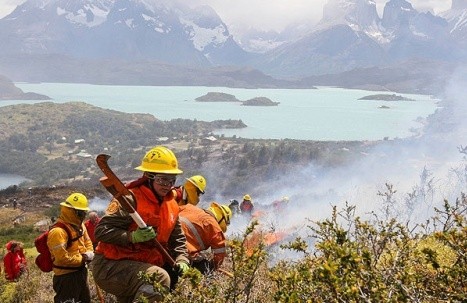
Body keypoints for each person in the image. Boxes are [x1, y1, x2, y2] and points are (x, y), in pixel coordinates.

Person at [92, 146, 190, 303]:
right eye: (162, 179)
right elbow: (101, 231)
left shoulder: (172, 205)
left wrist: (182, 259)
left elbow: (178, 240)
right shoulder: (130, 199)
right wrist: (132, 237)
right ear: (149, 177)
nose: (167, 185)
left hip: (139, 267)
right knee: (158, 278)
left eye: (172, 180)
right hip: (110, 265)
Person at [48, 192, 94, 303]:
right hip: (66, 277)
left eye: (84, 212)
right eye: (81, 212)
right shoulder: (58, 232)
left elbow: (87, 242)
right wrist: (83, 258)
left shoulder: (80, 225)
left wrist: (90, 253)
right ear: (72, 211)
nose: (83, 215)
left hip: (81, 272)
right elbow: (62, 258)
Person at [179, 202, 232, 275]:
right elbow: (219, 255)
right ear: (222, 219)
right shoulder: (215, 227)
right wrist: (212, 267)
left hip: (164, 239)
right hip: (183, 252)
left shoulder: (189, 207)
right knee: (206, 271)